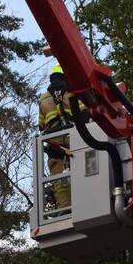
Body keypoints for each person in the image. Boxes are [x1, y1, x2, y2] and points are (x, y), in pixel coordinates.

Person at [38, 64, 83, 212]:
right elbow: (86, 114)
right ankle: (85, 202)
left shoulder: (43, 99)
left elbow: (41, 126)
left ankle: (65, 208)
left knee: (58, 179)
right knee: (83, 173)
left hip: (55, 146)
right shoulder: (74, 93)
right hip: (76, 142)